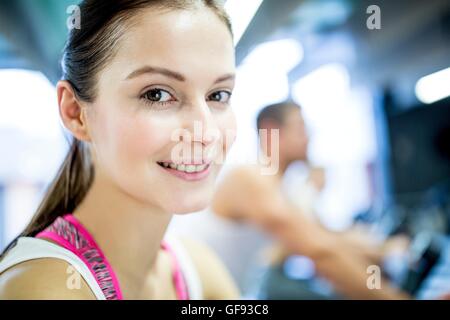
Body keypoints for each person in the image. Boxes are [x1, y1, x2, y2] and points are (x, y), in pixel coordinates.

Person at [0, 0, 239, 300]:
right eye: (157, 94)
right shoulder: (44, 289)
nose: (206, 134)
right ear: (76, 112)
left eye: (218, 95)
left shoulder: (195, 270)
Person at [212, 101, 410, 299]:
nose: (309, 137)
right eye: (300, 128)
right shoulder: (249, 178)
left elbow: (329, 237)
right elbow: (321, 251)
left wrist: (384, 250)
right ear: (271, 131)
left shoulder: (283, 191)